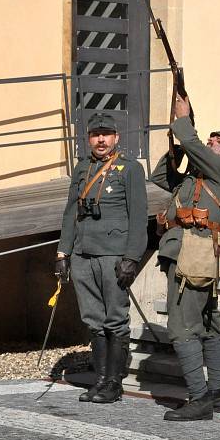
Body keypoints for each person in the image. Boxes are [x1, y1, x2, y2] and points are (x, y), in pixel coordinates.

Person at [150, 94, 220, 421]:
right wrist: (176, 149)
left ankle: (199, 397)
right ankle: (216, 392)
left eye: (217, 141)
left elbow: (192, 141)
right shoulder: (197, 177)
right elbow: (160, 177)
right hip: (190, 250)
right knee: (209, 322)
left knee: (181, 327)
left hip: (195, 252)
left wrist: (182, 120)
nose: (210, 141)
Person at [55, 112, 148, 403]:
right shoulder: (82, 168)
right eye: (96, 134)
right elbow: (71, 211)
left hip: (113, 255)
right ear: (88, 138)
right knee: (93, 319)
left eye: (106, 134)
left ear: (116, 138)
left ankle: (114, 382)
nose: (101, 140)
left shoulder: (129, 169)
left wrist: (132, 257)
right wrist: (63, 251)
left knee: (115, 319)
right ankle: (100, 378)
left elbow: (138, 216)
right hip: (83, 253)